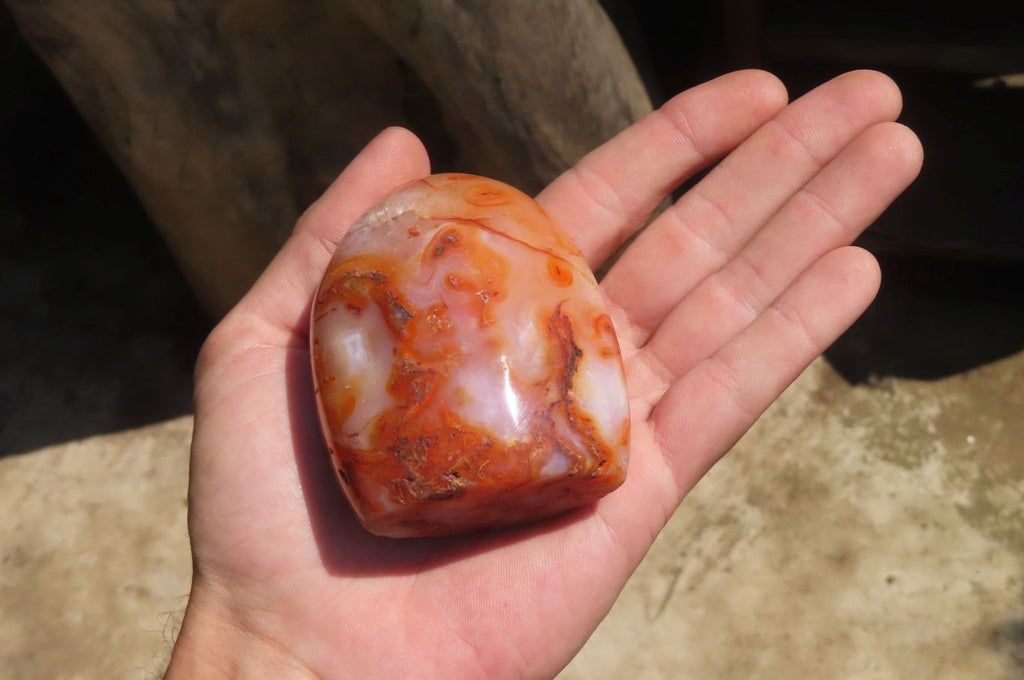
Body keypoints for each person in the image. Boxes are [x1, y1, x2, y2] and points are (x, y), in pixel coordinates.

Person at [163, 70, 921, 678]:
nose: (463, 292)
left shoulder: (424, 259)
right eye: (455, 278)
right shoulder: (391, 270)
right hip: (430, 473)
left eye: (472, 284)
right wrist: (263, 649)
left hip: (529, 448)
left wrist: (260, 655)